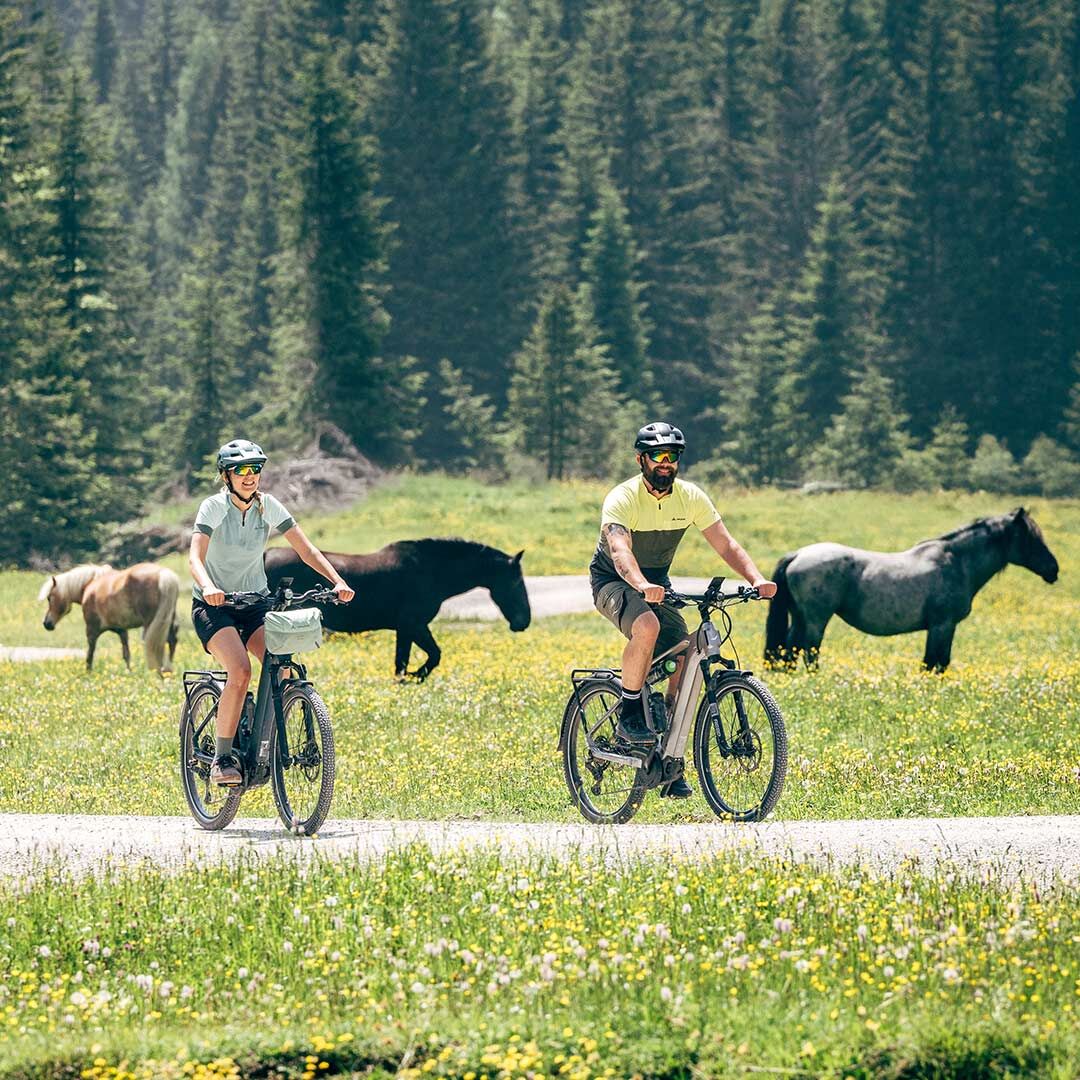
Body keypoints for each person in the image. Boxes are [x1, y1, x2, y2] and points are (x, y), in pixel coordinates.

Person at [589, 422, 777, 798]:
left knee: (689, 653)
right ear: (641, 459)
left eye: (672, 457)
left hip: (658, 585)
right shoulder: (622, 497)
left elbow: (726, 545)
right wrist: (641, 586)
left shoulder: (690, 497)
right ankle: (628, 714)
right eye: (657, 456)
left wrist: (757, 578)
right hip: (616, 581)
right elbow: (621, 552)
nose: (665, 463)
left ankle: (669, 759)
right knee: (646, 626)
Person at [189, 439, 355, 786]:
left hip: (254, 604)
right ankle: (221, 758)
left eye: (256, 470)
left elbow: (307, 550)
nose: (250, 477)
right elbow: (194, 558)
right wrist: (208, 586)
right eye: (241, 471)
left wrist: (337, 580)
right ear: (226, 476)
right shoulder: (213, 508)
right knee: (241, 670)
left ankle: (261, 740)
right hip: (214, 607)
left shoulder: (269, 507)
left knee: (280, 665)